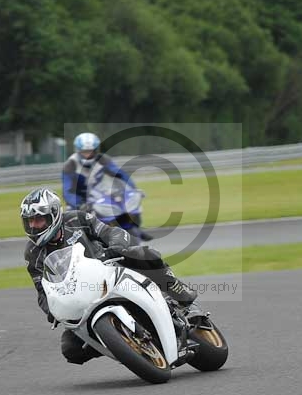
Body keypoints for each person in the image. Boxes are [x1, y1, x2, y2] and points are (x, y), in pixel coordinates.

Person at [21, 187, 197, 365]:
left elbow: (109, 232)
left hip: (110, 268)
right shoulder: (33, 254)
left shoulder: (76, 219)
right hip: (81, 297)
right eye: (29, 222)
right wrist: (52, 310)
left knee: (144, 254)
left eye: (39, 220)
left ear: (54, 214)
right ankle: (117, 343)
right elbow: (42, 291)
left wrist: (117, 246)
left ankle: (181, 295)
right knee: (70, 350)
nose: (34, 226)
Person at [61, 132, 135, 211]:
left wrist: (132, 190)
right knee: (72, 216)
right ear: (78, 151)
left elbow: (120, 174)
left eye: (90, 151)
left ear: (96, 150)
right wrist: (79, 204)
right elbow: (67, 191)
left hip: (99, 195)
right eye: (84, 152)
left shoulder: (103, 160)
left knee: (120, 208)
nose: (88, 155)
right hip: (78, 198)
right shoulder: (69, 165)